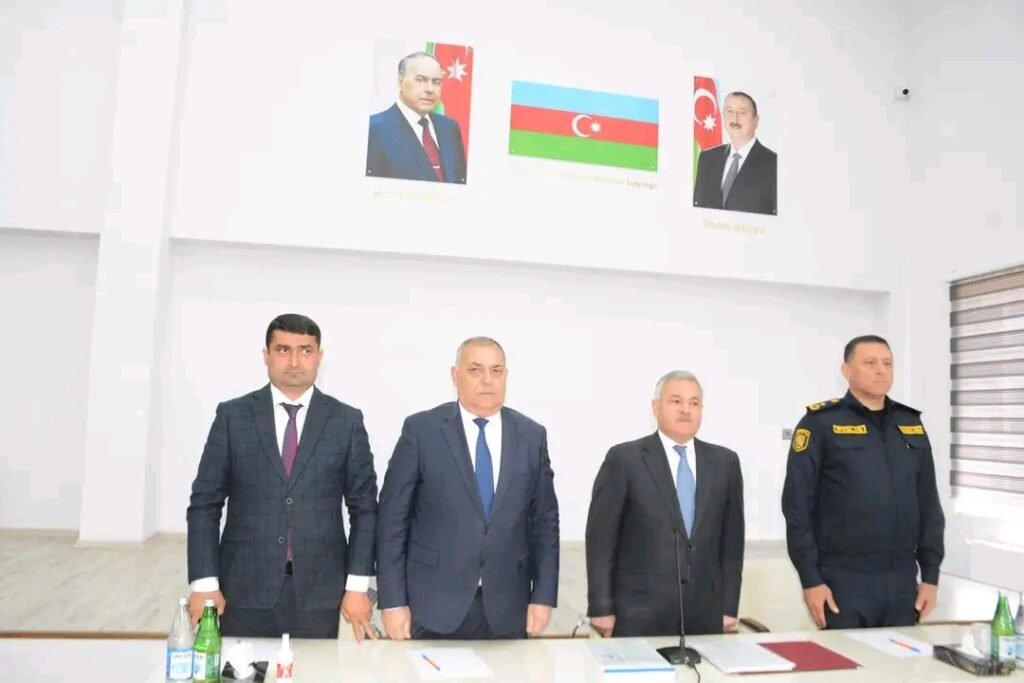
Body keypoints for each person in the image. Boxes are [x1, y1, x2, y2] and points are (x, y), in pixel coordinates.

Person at [186, 314, 379, 640]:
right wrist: (204, 583)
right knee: (239, 667)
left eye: (305, 350)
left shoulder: (346, 421)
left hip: (319, 591)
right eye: (283, 350)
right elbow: (205, 504)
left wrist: (358, 585)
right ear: (266, 355)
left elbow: (365, 509)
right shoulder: (233, 417)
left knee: (313, 668)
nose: (294, 361)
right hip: (243, 587)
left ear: (319, 356)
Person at [376, 336, 559, 639]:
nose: (487, 380)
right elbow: (392, 520)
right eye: (475, 370)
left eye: (496, 371)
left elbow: (545, 522)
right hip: (432, 607)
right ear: (455, 375)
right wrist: (393, 602)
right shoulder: (422, 431)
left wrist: (543, 596)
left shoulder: (531, 436)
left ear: (506, 376)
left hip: (509, 609)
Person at [781, 335, 945, 629]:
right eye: (870, 363)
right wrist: (811, 580)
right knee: (846, 658)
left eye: (887, 363)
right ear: (846, 370)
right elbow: (797, 508)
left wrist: (931, 576)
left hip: (901, 580)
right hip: (842, 580)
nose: (881, 370)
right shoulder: (820, 423)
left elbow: (929, 504)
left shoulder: (910, 423)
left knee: (901, 658)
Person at [585, 370, 745, 637]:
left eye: (694, 403)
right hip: (637, 612)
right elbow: (601, 539)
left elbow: (732, 543)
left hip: (704, 613)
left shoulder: (725, 463)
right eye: (676, 401)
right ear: (655, 407)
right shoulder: (625, 459)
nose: (686, 410)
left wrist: (729, 605)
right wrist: (601, 606)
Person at [366, 51, 468, 184]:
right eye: (420, 80)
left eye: (436, 81)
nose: (430, 89)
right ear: (400, 82)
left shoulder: (449, 128)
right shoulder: (373, 130)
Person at [692, 91, 776, 215]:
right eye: (729, 111)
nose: (735, 119)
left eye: (742, 113)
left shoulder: (773, 163)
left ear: (756, 120)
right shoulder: (707, 158)